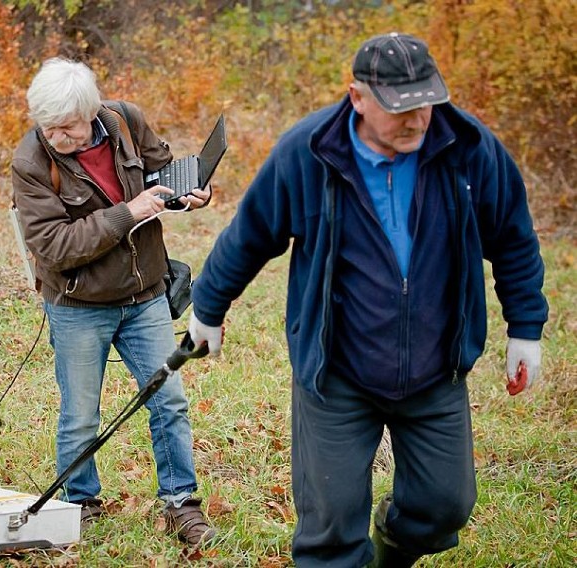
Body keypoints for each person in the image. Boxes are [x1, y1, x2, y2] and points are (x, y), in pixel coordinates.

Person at [188, 32, 547, 567]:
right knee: (331, 527)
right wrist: (208, 310)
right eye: (401, 108)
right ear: (357, 98)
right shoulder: (308, 153)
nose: (418, 120)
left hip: (434, 369)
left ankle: (393, 546)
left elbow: (513, 236)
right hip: (337, 372)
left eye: (426, 103)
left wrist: (525, 328)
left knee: (444, 506)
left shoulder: (469, 149)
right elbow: (250, 234)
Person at [10, 57, 217, 546]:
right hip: (78, 305)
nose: (58, 137)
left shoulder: (124, 120)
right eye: (49, 127)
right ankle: (79, 506)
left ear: (92, 112)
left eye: (68, 127)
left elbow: (162, 167)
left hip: (144, 295)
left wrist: (189, 190)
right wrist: (128, 213)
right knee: (81, 414)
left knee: (169, 401)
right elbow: (54, 248)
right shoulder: (30, 163)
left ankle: (180, 505)